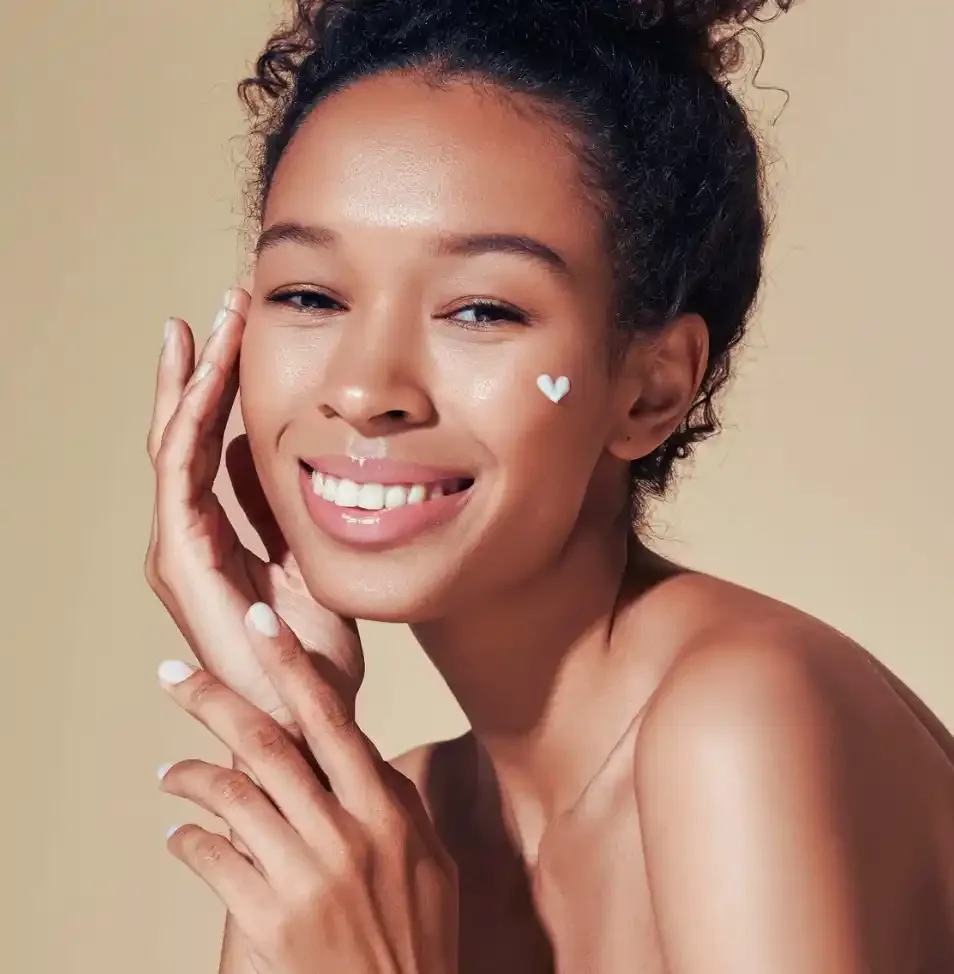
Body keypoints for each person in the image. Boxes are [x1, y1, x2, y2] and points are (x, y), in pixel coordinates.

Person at [145, 0, 954, 971]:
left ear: (649, 389)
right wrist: (288, 727)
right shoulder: (397, 837)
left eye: (481, 310)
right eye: (310, 295)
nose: (364, 391)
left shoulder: (739, 720)